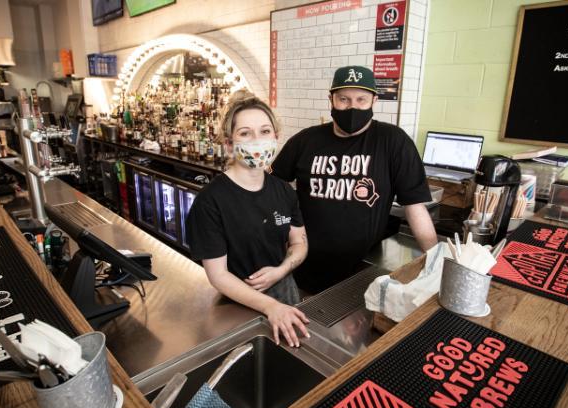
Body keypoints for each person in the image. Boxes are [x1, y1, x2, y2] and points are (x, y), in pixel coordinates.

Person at [271, 65, 438, 294]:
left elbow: (414, 207)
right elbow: (272, 190)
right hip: (305, 265)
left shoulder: (393, 142)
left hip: (364, 269)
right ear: (331, 99)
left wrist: (436, 260)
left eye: (361, 99)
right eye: (343, 99)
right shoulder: (305, 141)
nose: (352, 107)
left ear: (374, 101)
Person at [186, 91, 310, 347]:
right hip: (237, 304)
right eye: (245, 133)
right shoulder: (211, 201)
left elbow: (299, 242)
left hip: (285, 294)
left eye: (265, 131)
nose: (258, 140)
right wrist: (270, 306)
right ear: (229, 144)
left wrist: (280, 271)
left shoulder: (284, 191)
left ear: (276, 137)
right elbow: (218, 275)